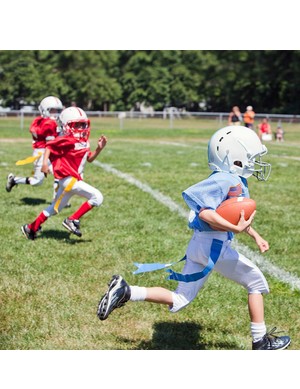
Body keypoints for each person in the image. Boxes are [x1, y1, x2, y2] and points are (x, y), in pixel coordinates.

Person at [96, 125, 291, 351]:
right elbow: (205, 212)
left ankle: (127, 290)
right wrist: (233, 228)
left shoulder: (235, 180)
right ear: (234, 156)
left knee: (180, 298)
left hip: (200, 244)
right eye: (251, 156)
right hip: (213, 246)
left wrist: (255, 235)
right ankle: (260, 341)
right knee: (256, 282)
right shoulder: (223, 179)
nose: (254, 162)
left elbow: (236, 217)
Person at [21, 106, 107, 240]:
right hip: (69, 180)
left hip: (72, 180)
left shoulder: (83, 140)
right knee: (97, 197)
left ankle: (31, 228)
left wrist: (99, 149)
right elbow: (49, 146)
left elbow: (89, 159)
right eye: (76, 124)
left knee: (54, 209)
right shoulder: (67, 139)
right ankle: (72, 220)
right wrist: (44, 163)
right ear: (66, 125)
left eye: (82, 124)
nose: (81, 127)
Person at [6, 96, 63, 200]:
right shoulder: (48, 123)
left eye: (57, 110)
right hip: (44, 153)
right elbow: (50, 144)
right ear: (45, 110)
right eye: (53, 110)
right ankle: (14, 180)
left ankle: (58, 200)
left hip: (45, 151)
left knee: (59, 174)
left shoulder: (39, 120)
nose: (56, 113)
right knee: (37, 182)